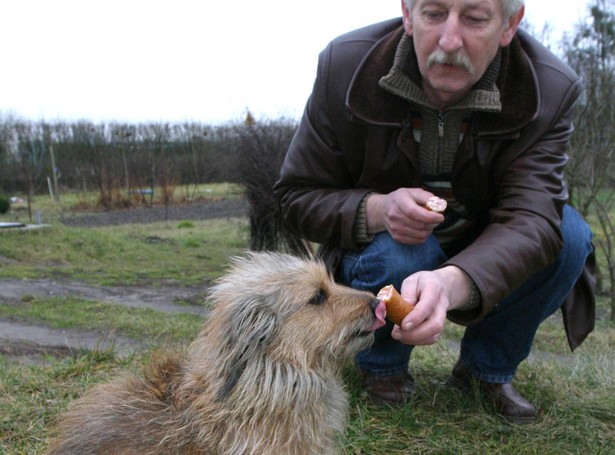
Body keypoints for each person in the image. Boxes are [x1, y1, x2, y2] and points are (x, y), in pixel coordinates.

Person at [274, 0, 596, 424]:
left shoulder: (551, 88)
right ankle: (382, 370)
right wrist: (377, 210)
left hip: (479, 245)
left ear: (509, 24)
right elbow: (294, 196)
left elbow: (532, 219)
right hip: (383, 248)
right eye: (433, 13)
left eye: (475, 18)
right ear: (408, 14)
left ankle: (485, 371)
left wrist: (451, 282)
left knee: (568, 236)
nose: (448, 40)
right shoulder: (344, 64)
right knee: (401, 252)